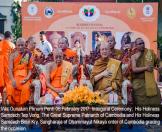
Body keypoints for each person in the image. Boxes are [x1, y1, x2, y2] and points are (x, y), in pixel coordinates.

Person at [131, 38, 161, 105]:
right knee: (141, 103)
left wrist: (160, 66)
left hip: (150, 81)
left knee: (156, 98)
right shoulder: (134, 56)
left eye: (143, 43)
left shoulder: (149, 52)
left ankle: (153, 115)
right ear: (136, 45)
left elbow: (158, 62)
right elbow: (134, 69)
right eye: (140, 44)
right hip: (138, 83)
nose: (142, 45)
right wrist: (146, 68)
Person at [6, 38, 32, 106]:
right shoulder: (12, 55)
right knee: (10, 88)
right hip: (14, 77)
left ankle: (21, 108)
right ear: (16, 46)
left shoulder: (28, 54)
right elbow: (10, 69)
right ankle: (14, 108)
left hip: (25, 78)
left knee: (26, 88)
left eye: (22, 45)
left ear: (25, 45)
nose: (20, 47)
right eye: (19, 45)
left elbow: (30, 70)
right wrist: (12, 80)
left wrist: (27, 78)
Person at [0, 31, 15, 105]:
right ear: (10, 37)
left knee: (1, 85)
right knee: (7, 85)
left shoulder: (0, 43)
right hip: (7, 67)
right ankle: (5, 103)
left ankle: (3, 102)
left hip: (1, 67)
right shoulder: (12, 45)